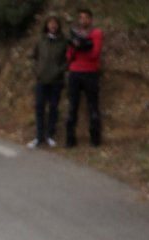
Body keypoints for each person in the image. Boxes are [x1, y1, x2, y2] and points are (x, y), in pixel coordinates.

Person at [65, 8, 103, 147]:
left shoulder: (96, 33)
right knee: (72, 107)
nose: (83, 20)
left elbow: (95, 54)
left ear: (90, 19)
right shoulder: (75, 34)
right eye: (81, 17)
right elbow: (69, 55)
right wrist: (78, 46)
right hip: (75, 72)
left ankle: (95, 139)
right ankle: (70, 139)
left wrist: (81, 46)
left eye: (86, 17)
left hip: (90, 73)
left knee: (93, 106)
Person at [28, 16, 68, 148]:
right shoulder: (40, 40)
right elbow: (34, 56)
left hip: (56, 80)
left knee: (53, 108)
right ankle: (39, 136)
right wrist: (37, 70)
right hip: (41, 79)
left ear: (58, 25)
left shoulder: (63, 41)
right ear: (47, 25)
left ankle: (50, 135)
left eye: (55, 23)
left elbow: (68, 59)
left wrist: (60, 70)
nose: (53, 26)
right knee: (39, 107)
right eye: (50, 23)